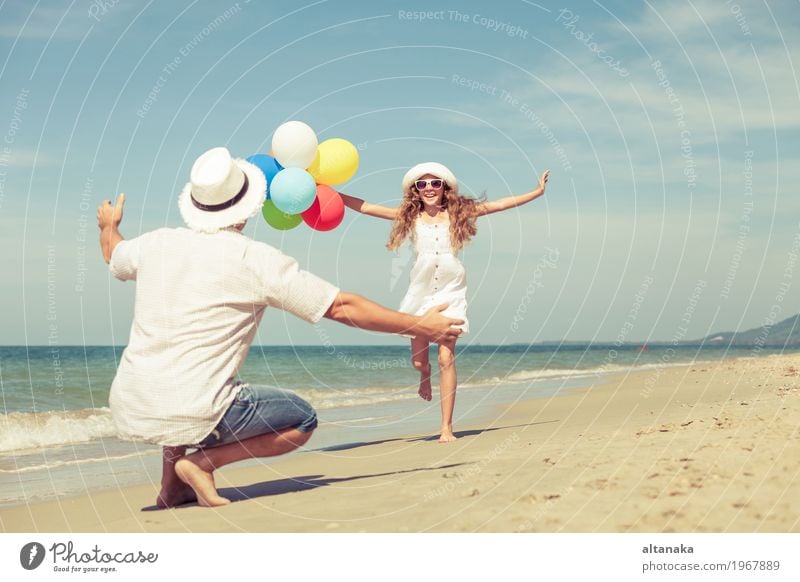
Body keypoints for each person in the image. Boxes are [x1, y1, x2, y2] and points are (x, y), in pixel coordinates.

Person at [97, 147, 463, 508]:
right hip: (196, 411)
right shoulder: (253, 259)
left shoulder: (157, 243)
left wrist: (108, 226)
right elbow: (340, 306)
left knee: (181, 372)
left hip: (132, 404)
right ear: (247, 208)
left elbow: (114, 254)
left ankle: (171, 486)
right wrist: (422, 325)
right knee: (301, 418)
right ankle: (201, 464)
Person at [340, 163, 549, 442]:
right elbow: (366, 207)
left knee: (446, 358)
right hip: (421, 292)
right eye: (422, 184)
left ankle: (446, 427)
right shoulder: (408, 217)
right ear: (415, 190)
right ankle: (424, 375)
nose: (428, 188)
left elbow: (500, 205)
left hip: (451, 290)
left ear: (444, 187)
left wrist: (536, 191)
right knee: (418, 362)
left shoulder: (458, 214)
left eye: (434, 183)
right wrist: (331, 194)